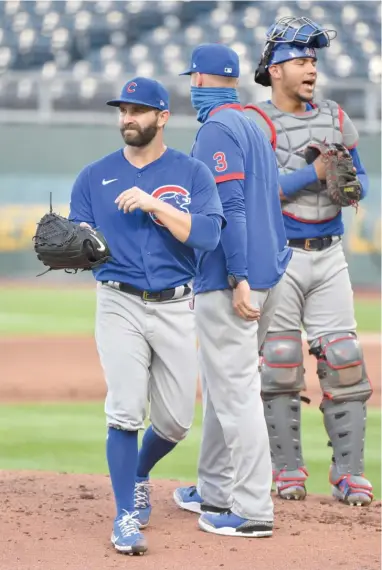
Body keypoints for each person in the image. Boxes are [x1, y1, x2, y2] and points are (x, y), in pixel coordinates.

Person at [68, 76, 225, 555]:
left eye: (137, 110)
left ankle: (140, 472)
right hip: (118, 300)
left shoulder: (192, 172)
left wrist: (156, 204)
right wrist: (74, 243)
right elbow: (80, 239)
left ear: (161, 117)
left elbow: (207, 237)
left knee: (176, 421)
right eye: (122, 110)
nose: (127, 118)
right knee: (125, 409)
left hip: (177, 303)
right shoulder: (93, 176)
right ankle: (124, 517)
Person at [244, 16, 373, 506]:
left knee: (343, 359)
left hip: (329, 253)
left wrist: (347, 179)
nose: (310, 69)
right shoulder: (255, 123)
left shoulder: (337, 116)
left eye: (313, 61)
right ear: (274, 70)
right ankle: (286, 471)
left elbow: (356, 177)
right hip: (282, 256)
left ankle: (349, 473)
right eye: (299, 61)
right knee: (279, 361)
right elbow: (259, 192)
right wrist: (312, 171)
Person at [173, 44, 292, 538]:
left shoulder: (217, 128)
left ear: (201, 79)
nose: (191, 86)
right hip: (271, 271)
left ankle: (252, 508)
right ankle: (214, 488)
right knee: (224, 387)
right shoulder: (253, 123)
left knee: (236, 392)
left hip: (233, 281)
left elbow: (233, 207)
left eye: (192, 78)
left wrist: (238, 276)